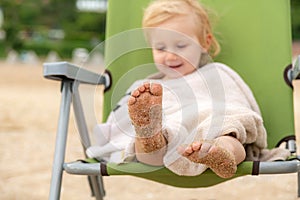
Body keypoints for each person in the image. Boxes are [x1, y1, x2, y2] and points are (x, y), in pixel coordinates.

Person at [87, 0, 289, 178]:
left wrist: (223, 125)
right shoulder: (148, 90)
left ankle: (220, 154)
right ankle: (150, 133)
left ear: (204, 43)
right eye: (161, 48)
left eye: (181, 45)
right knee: (150, 146)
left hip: (214, 132)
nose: (170, 56)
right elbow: (121, 122)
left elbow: (236, 107)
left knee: (229, 132)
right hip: (166, 145)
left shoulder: (217, 74)